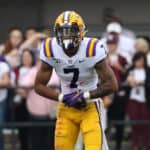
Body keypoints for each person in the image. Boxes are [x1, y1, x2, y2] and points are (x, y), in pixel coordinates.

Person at [35, 10, 118, 150]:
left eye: (71, 31)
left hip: (90, 105)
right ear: (56, 32)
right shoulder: (50, 48)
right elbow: (38, 86)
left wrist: (85, 96)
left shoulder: (92, 48)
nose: (67, 36)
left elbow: (112, 85)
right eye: (63, 31)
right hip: (66, 106)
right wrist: (62, 97)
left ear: (81, 32)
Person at [126, 52, 150, 150]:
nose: (139, 63)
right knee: (134, 123)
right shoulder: (130, 70)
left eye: (141, 61)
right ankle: (135, 145)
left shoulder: (148, 71)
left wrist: (142, 82)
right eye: (137, 60)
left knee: (145, 124)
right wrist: (130, 80)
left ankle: (145, 145)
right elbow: (126, 79)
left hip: (145, 101)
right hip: (133, 100)